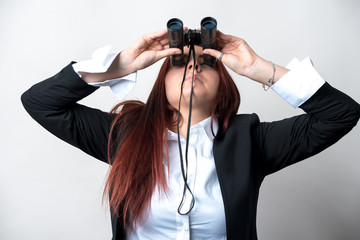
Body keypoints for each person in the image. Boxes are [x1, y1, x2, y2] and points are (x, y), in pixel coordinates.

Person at [21, 27, 360, 240]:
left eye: (207, 63)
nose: (194, 67)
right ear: (161, 81)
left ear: (224, 85)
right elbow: (41, 103)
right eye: (180, 62)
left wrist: (260, 68)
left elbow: (340, 115)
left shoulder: (251, 140)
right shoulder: (125, 136)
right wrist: (117, 67)